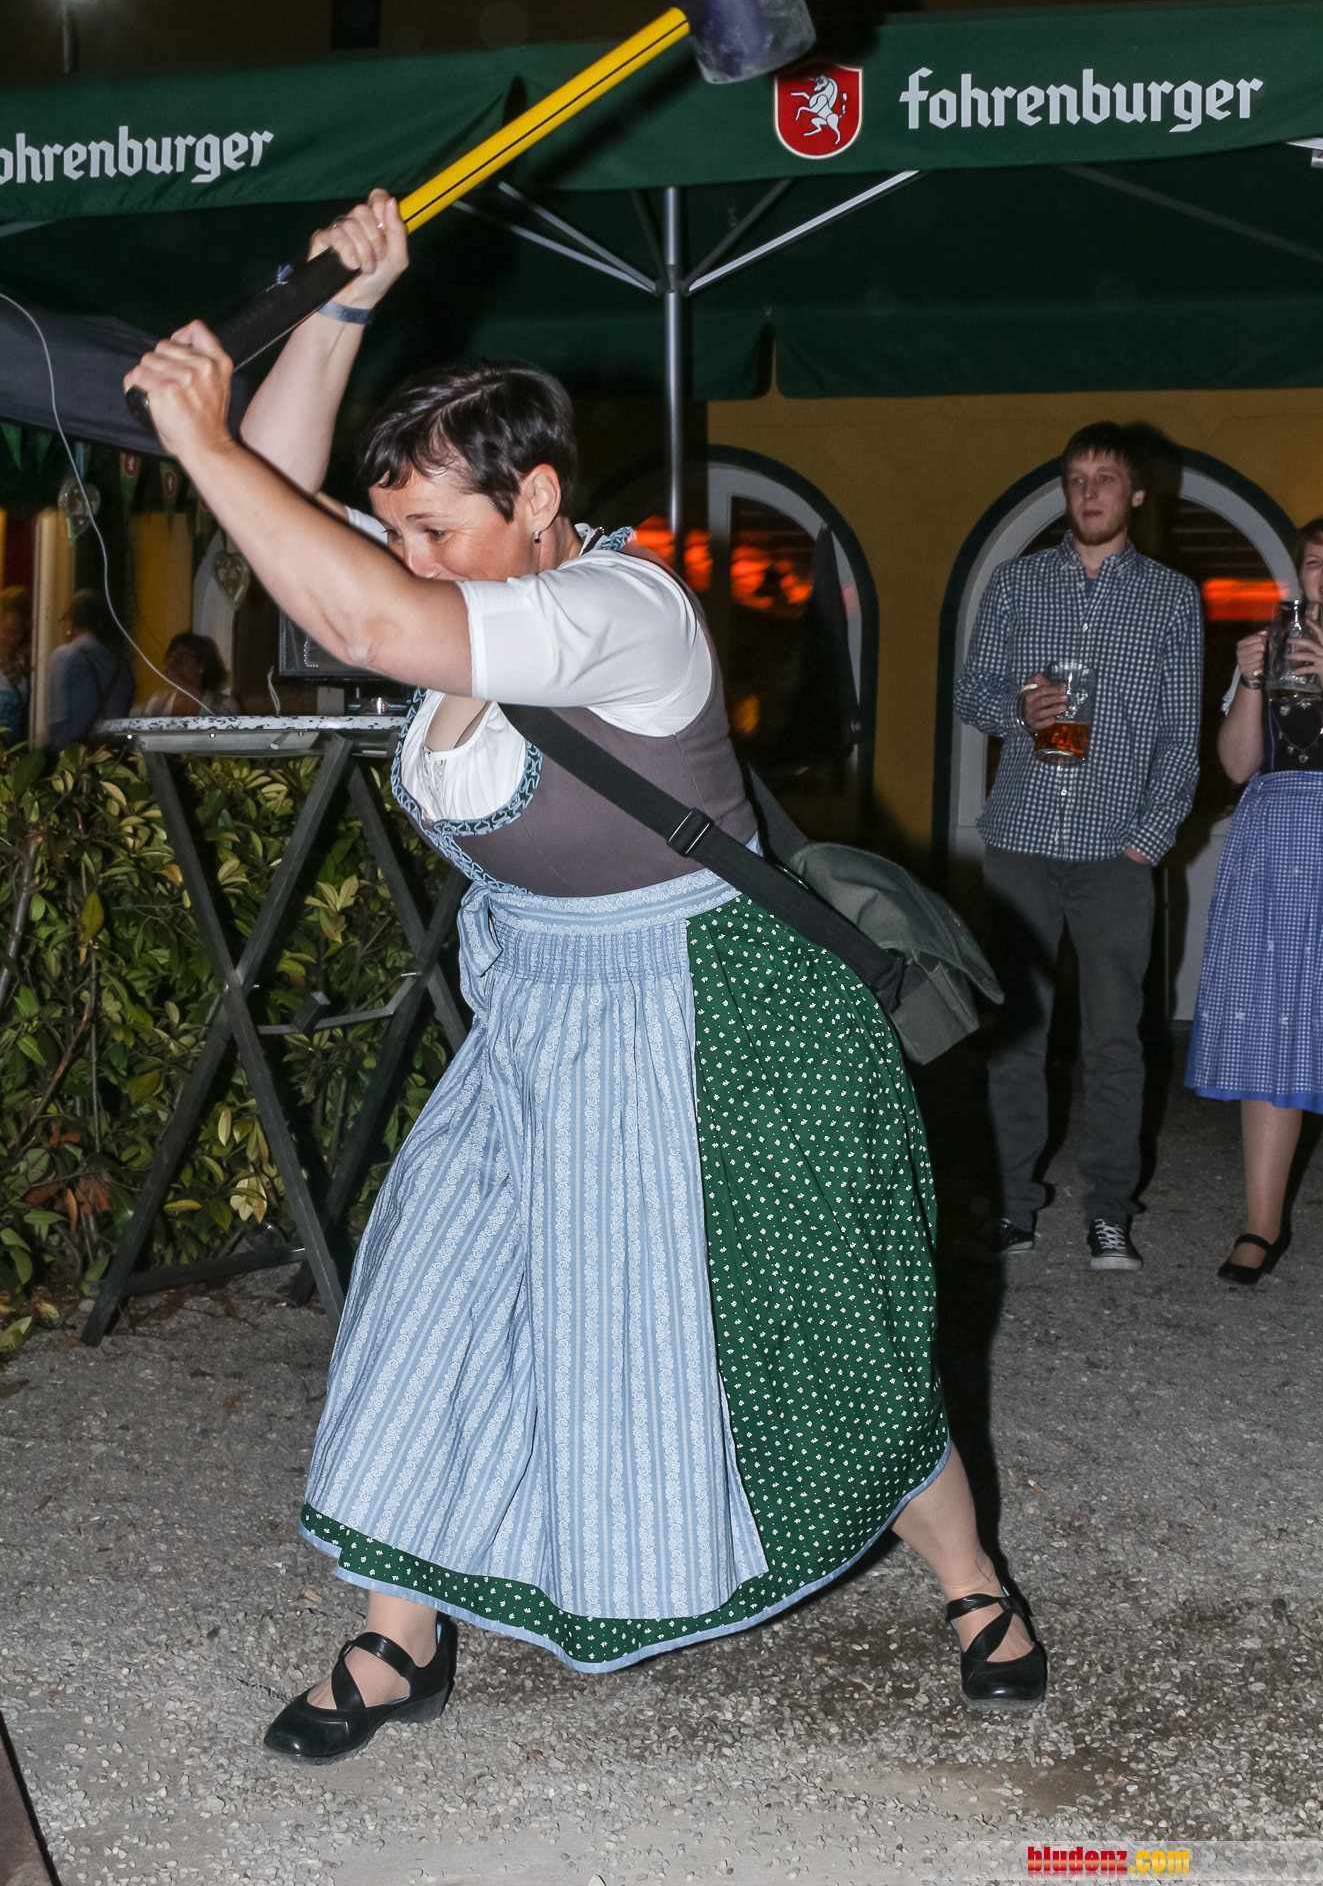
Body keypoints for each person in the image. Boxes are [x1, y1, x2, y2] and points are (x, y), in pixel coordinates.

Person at [125, 189, 1046, 1766]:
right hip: (542, 1017)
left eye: (435, 530)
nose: (407, 555)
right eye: (397, 528)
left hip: (718, 1016)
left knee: (809, 1337)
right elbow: (285, 524)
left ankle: (973, 1584)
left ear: (538, 497)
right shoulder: (461, 587)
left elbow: (353, 606)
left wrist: (200, 439)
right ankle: (395, 1637)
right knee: (431, 1299)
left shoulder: (622, 610)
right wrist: (345, 306)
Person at [955, 423, 1202, 1271]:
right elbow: (973, 690)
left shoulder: (1170, 597)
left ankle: (1108, 1212)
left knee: (1113, 1040)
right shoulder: (1017, 583)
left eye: (1104, 477)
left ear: (1135, 493)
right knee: (1017, 1032)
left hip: (1114, 851)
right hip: (1022, 837)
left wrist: (1147, 839)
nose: (1088, 491)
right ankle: (1013, 1205)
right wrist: (1012, 709)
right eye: (1075, 478)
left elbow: (1179, 735)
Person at [1186, 516, 1323, 1285]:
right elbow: (1237, 764)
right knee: (1272, 1023)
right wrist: (1247, 680)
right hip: (1274, 838)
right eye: (1313, 562)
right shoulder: (1274, 645)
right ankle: (1260, 1222)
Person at [46, 589, 134, 747]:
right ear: (100, 622)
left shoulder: (63, 657)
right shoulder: (120, 665)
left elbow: (58, 720)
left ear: (70, 620)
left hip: (77, 754)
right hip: (114, 752)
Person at [140, 630, 239, 717]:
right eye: (171, 658)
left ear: (202, 665)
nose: (174, 664)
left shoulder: (222, 706)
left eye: (181, 657)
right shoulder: (158, 702)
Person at [0, 584, 32, 747]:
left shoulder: (20, 662)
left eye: (18, 632)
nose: (13, 638)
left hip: (15, 751)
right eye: (7, 631)